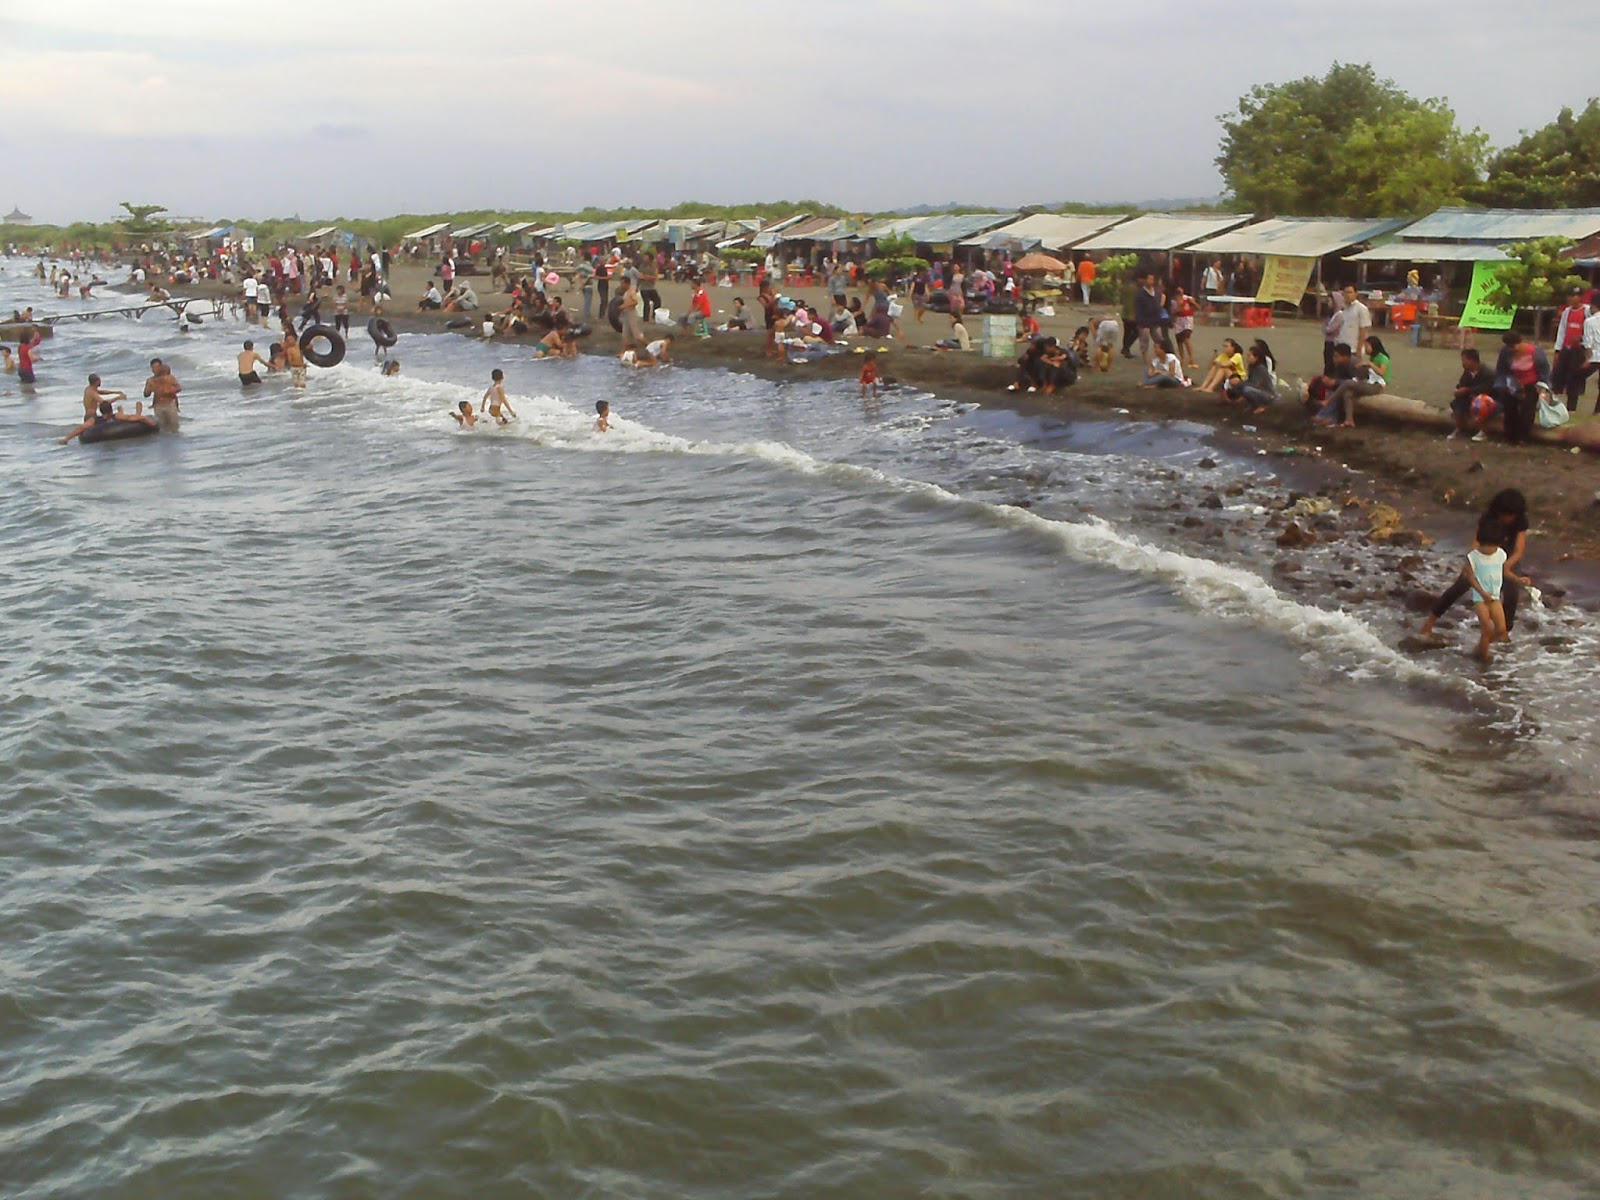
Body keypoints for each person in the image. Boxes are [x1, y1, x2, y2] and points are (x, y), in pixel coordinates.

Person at [1421, 489, 1531, 639]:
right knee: (1460, 586)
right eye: (1506, 514)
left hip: (1507, 555)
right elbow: (1476, 543)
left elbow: (1518, 550)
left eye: (1512, 515)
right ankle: (1429, 624)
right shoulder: (1488, 518)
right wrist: (1473, 563)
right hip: (1484, 552)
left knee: (1512, 592)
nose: (1508, 518)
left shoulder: (1520, 521)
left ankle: (1504, 633)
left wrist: (1505, 565)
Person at [1462, 519, 1511, 663]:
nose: (1489, 549)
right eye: (1486, 546)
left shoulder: (1501, 554)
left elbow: (1504, 571)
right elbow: (1470, 578)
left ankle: (1480, 647)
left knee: (1501, 629)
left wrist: (1519, 579)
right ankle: (1483, 656)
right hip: (1480, 598)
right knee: (1487, 629)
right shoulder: (1473, 557)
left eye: (1492, 546)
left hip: (1495, 597)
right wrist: (1482, 593)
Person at [1315, 334, 1389, 427]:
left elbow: (1366, 378)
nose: (1334, 359)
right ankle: (1348, 420)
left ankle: (1328, 407)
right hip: (1359, 385)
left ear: (1345, 356)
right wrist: (1331, 381)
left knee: (1346, 384)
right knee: (1346, 393)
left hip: (1373, 385)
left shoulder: (1358, 364)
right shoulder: (1340, 364)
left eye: (1336, 356)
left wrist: (1336, 382)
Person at [1492, 332, 1549, 445]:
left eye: (1514, 346)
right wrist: (1502, 385)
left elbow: (1544, 370)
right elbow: (1501, 370)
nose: (1514, 349)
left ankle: (1523, 437)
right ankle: (1509, 435)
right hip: (1513, 383)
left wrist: (1543, 386)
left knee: (1527, 411)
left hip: (1531, 384)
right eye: (1510, 347)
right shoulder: (1505, 353)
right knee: (1509, 408)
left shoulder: (1536, 353)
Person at [1550, 286, 1590, 411]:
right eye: (1570, 296)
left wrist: (1582, 340)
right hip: (1566, 349)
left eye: (1574, 296)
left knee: (1574, 378)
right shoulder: (1567, 312)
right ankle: (1553, 405)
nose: (1572, 299)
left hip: (1578, 350)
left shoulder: (1587, 312)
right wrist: (1558, 350)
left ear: (1580, 297)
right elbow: (1562, 331)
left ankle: (1571, 407)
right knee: (1557, 377)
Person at [1446, 348, 1497, 440]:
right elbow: (1461, 384)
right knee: (1457, 403)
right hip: (1472, 396)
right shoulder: (1468, 372)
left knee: (1480, 404)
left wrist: (1467, 390)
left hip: (1489, 399)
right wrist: (1458, 391)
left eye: (1464, 360)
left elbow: (1487, 388)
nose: (1462, 363)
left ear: (1472, 360)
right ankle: (1459, 428)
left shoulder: (1488, 373)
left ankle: (1483, 431)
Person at [60, 399, 158, 444]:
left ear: (100, 411)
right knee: (132, 416)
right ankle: (137, 410)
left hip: (102, 436)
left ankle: (137, 411)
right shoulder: (117, 416)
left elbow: (81, 428)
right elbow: (131, 418)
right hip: (117, 432)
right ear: (111, 409)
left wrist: (67, 439)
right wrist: (146, 419)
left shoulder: (95, 420)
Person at [1223, 343, 1276, 412]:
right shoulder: (1252, 366)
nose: (1247, 358)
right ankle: (1253, 405)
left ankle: (1262, 405)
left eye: (1249, 356)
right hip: (1261, 391)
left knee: (1247, 389)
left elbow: (1255, 385)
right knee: (1244, 388)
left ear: (1256, 357)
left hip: (1267, 394)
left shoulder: (1260, 368)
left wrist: (1240, 383)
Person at [142, 358, 182, 431]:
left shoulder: (169, 378)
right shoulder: (150, 380)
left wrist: (169, 390)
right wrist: (148, 389)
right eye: (153, 368)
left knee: (174, 427)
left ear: (161, 367)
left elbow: (179, 388)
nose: (154, 369)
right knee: (163, 428)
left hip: (170, 404)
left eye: (156, 367)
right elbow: (146, 395)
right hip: (158, 406)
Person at [1333, 285, 1371, 358]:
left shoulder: (1361, 309)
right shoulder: (1343, 309)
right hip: (1340, 347)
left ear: (1356, 294)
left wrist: (1359, 348)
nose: (1347, 295)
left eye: (1350, 292)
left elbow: (1363, 330)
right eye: (1345, 293)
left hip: (1353, 349)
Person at [1169, 286, 1199, 370]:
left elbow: (1197, 307)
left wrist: (1193, 303)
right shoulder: (1173, 302)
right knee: (1179, 340)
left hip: (1187, 319)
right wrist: (1179, 308)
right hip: (1178, 321)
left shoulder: (1188, 299)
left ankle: (1191, 358)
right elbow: (1172, 312)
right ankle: (1182, 358)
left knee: (1186, 338)